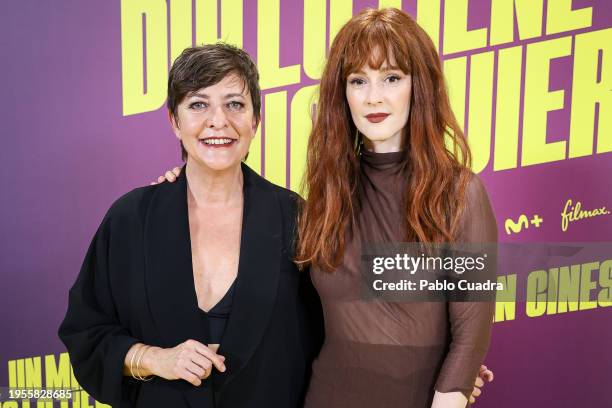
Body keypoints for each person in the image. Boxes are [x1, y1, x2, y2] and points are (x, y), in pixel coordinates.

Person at [58, 43, 323, 408]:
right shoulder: (131, 219)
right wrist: (152, 358)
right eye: (198, 104)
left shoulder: (297, 218)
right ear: (174, 120)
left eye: (235, 104)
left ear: (255, 120)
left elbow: (333, 340)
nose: (218, 120)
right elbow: (86, 331)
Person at [295, 8, 497, 408]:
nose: (374, 97)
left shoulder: (461, 193)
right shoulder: (327, 193)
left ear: (418, 85)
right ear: (342, 93)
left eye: (391, 77)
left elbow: (470, 339)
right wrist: (183, 183)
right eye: (358, 80)